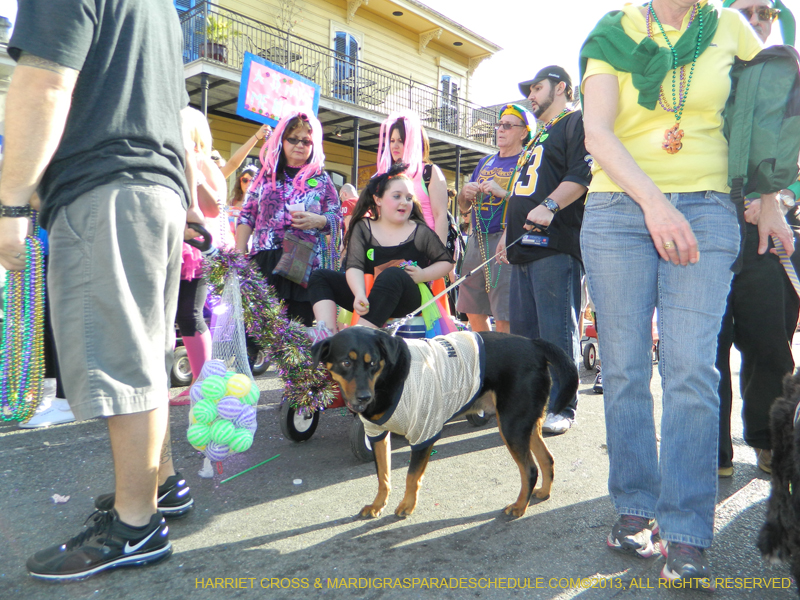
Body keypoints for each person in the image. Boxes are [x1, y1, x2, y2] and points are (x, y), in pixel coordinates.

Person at [580, 0, 790, 583]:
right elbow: (597, 133)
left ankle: (687, 534)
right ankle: (634, 508)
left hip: (706, 208)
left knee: (691, 368)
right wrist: (655, 205)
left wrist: (770, 197)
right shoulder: (614, 29)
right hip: (618, 208)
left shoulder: (729, 25)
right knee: (623, 368)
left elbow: (768, 108)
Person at [0, 0, 198, 581]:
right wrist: (185, 200)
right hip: (158, 188)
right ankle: (161, 486)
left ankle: (136, 526)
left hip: (105, 187)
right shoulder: (160, 9)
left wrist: (10, 204)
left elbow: (45, 84)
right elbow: (177, 114)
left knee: (123, 360)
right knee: (146, 356)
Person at [716, 0, 799, 478]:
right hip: (705, 223)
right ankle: (711, 452)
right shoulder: (703, 77)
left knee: (769, 344)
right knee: (705, 346)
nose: (753, 20)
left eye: (763, 13)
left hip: (768, 233)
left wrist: (779, 198)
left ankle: (769, 441)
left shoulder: (792, 77)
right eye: (743, 11)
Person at [497, 67, 591, 435]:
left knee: (556, 332)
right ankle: (533, 403)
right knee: (525, 337)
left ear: (561, 87)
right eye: (530, 90)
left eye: (538, 88)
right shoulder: (539, 134)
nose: (531, 96)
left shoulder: (575, 121)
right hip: (521, 248)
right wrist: (506, 235)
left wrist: (550, 206)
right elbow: (521, 192)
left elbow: (583, 172)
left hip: (554, 246)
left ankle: (563, 407)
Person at [307, 164, 453, 332]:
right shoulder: (363, 227)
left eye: (409, 198)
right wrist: (359, 293)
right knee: (320, 276)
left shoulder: (419, 230)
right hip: (370, 292)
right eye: (397, 196)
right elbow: (354, 266)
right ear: (378, 200)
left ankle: (360, 335)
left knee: (393, 274)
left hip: (408, 299)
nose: (404, 202)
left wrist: (423, 275)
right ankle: (327, 334)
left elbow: (446, 262)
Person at [236, 111, 340, 327]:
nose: (299, 145)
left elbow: (337, 217)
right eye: (293, 139)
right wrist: (238, 253)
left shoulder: (321, 179)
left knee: (297, 329)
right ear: (281, 141)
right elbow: (247, 215)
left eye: (306, 141)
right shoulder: (264, 175)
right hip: (265, 259)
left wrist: (318, 220)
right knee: (258, 329)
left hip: (303, 261)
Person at [171, 107, 233, 406]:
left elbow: (215, 207)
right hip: (177, 246)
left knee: (189, 313)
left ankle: (204, 383)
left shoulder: (202, 162)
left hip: (197, 249)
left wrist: (192, 174)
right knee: (179, 314)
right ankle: (200, 381)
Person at [456, 104, 534, 333]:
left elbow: (531, 203)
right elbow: (463, 207)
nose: (500, 129)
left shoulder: (527, 161)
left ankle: (503, 354)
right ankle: (486, 350)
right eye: (499, 124)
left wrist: (504, 193)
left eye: (507, 125)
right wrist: (464, 194)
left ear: (524, 132)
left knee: (504, 311)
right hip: (477, 239)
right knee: (471, 306)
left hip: (505, 239)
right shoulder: (485, 162)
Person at [376, 111, 449, 245]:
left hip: (426, 248)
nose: (395, 146)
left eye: (401, 141)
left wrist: (439, 253)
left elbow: (440, 216)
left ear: (412, 142)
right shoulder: (387, 176)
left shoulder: (430, 172)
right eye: (392, 141)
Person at [228, 165, 258, 237]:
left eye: (252, 181)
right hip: (231, 238)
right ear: (240, 181)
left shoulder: (259, 204)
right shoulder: (232, 202)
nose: (248, 184)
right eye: (245, 180)